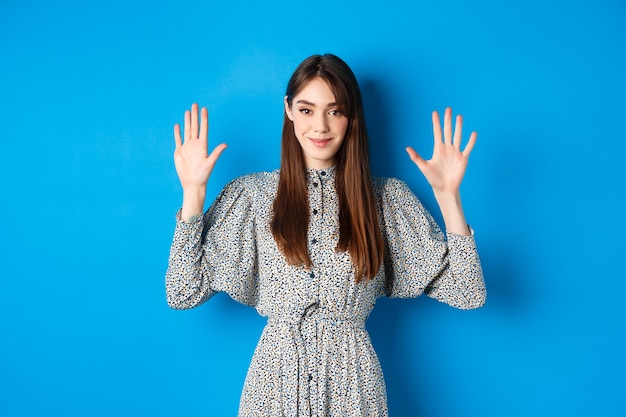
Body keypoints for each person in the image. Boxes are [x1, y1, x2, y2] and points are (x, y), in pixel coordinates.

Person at [165, 53, 486, 417]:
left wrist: (448, 198)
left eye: (334, 111)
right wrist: (192, 193)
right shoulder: (252, 196)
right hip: (274, 388)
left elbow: (468, 291)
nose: (320, 126)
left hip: (354, 388)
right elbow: (182, 291)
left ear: (351, 117)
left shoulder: (384, 200)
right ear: (288, 110)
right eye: (306, 110)